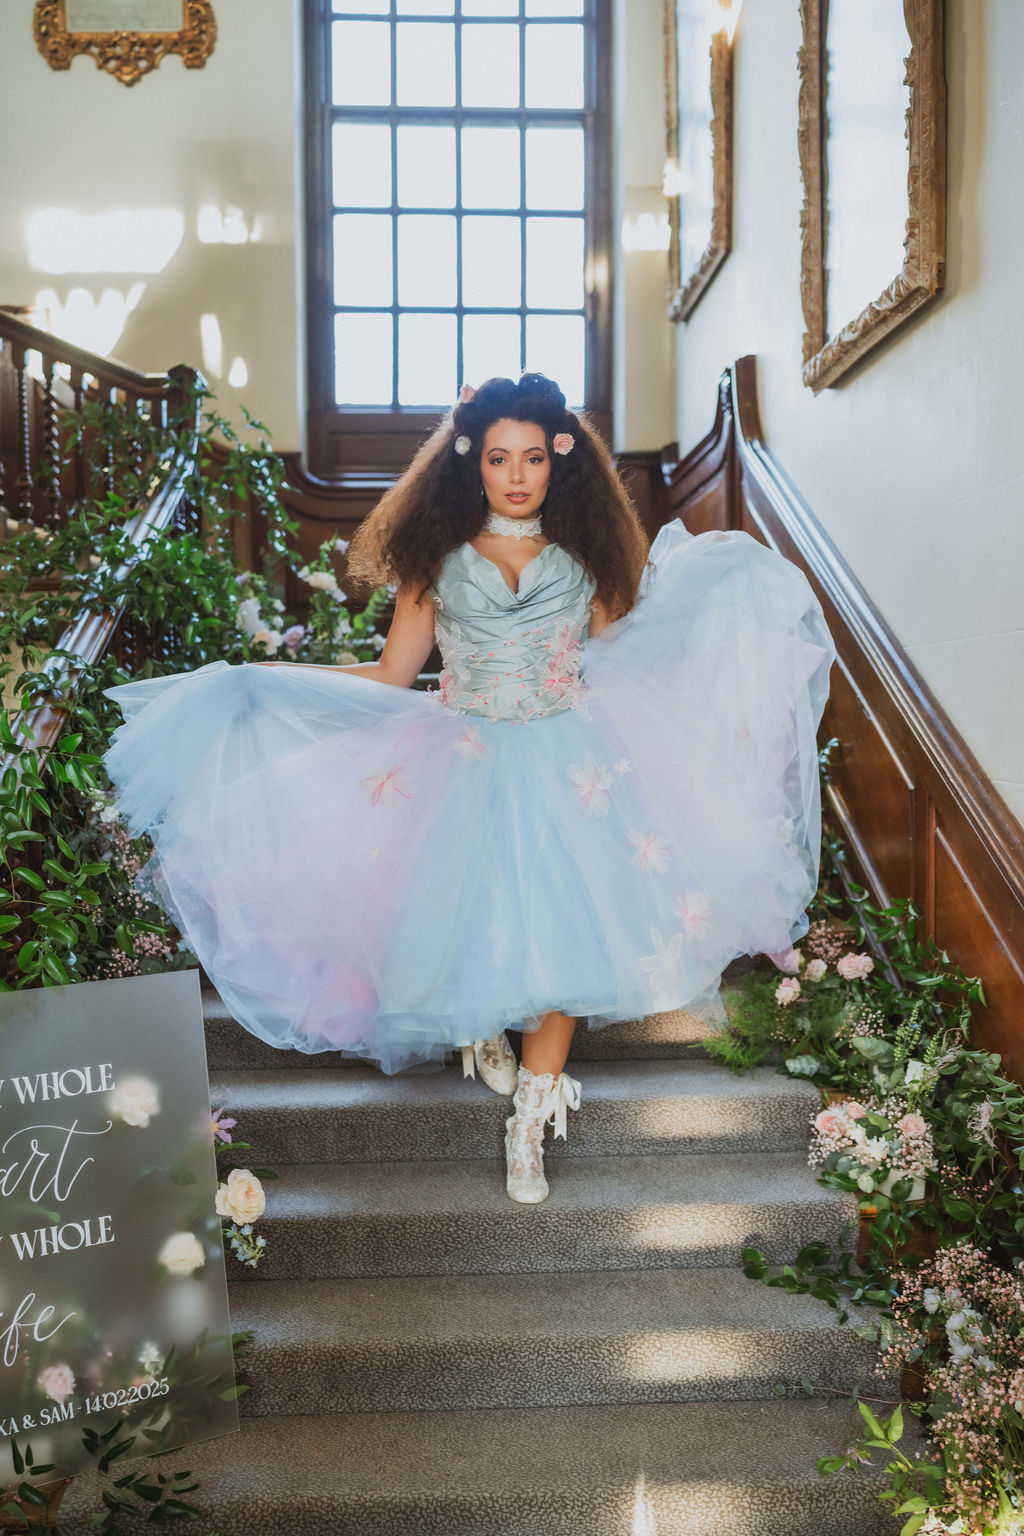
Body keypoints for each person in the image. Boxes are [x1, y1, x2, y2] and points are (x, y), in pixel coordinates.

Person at [103, 373, 834, 1204]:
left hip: (573, 761)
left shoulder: (588, 558)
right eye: (498, 458)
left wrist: (711, 609)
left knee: (569, 933)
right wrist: (266, 679)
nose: (517, 475)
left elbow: (624, 651)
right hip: (466, 757)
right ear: (470, 464)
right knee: (473, 909)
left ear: (562, 462)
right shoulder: (435, 564)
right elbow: (391, 675)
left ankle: (531, 1121)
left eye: (532, 457)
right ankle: (480, 1024)